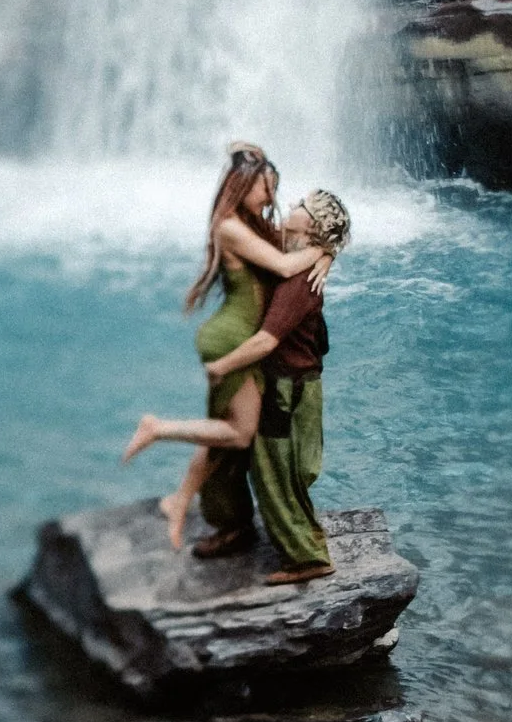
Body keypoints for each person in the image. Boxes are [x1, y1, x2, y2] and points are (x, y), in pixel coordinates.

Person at [124, 179, 351, 582]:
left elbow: (266, 339)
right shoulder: (292, 252)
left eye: (302, 205)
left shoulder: (299, 279)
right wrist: (327, 251)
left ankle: (307, 558)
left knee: (276, 471)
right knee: (243, 448)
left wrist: (224, 365)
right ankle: (227, 523)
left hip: (288, 386)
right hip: (279, 379)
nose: (290, 203)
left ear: (311, 226)